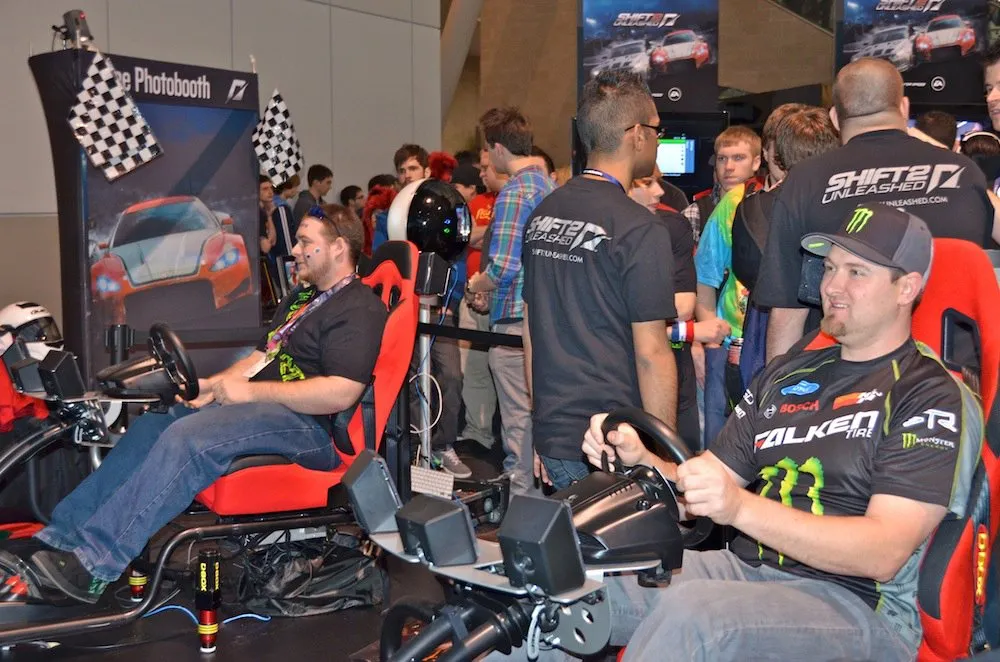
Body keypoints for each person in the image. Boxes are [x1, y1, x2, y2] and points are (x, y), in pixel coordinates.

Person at [497, 203, 982, 661]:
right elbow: (702, 488)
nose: (833, 286)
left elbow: (883, 552)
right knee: (564, 584)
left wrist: (739, 507)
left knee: (695, 616)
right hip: (748, 571)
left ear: (906, 288)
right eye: (830, 268)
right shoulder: (788, 374)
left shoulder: (929, 393)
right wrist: (643, 462)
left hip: (857, 604)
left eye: (857, 273)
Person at [26, 206, 387, 604]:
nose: (295, 250)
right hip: (271, 414)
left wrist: (249, 393)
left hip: (313, 431)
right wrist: (213, 387)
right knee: (155, 424)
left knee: (189, 437)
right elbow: (260, 357)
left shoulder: (359, 307)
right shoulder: (304, 298)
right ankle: (64, 537)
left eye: (305, 242)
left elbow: (341, 392)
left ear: (338, 247)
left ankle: (95, 564)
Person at [756, 58, 994, 362]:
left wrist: (776, 386)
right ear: (904, 107)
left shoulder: (805, 180)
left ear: (834, 118)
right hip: (951, 372)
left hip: (849, 376)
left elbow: (787, 311)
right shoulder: (964, 171)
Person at [521, 71, 677, 488]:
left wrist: (543, 428)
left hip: (557, 436)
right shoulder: (639, 228)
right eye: (658, 130)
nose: (658, 140)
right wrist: (661, 457)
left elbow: (531, 329)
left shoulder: (542, 215)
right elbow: (652, 353)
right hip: (613, 443)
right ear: (638, 135)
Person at [465, 107, 556, 495]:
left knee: (518, 417)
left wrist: (477, 283)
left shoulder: (515, 192)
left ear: (499, 148)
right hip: (546, 320)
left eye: (487, 150)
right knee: (539, 413)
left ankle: (522, 500)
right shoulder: (549, 187)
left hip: (515, 323)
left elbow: (503, 265)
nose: (486, 159)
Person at [629, 165, 717, 451]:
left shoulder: (673, 225)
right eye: (648, 183)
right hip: (622, 379)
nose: (660, 191)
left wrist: (683, 332)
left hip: (675, 372)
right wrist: (690, 332)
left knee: (680, 458)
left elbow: (683, 306)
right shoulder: (602, 230)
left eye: (658, 181)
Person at [457, 151, 507, 452]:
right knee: (474, 369)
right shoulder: (476, 204)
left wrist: (483, 234)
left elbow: (491, 242)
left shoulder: (513, 202)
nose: (481, 174)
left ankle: (507, 441)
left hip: (504, 301)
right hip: (473, 296)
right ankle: (478, 433)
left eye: (486, 167)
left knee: (507, 373)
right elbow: (464, 237)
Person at [681, 126, 762, 244]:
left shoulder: (767, 208)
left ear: (755, 163)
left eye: (738, 158)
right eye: (722, 158)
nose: (728, 167)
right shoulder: (695, 214)